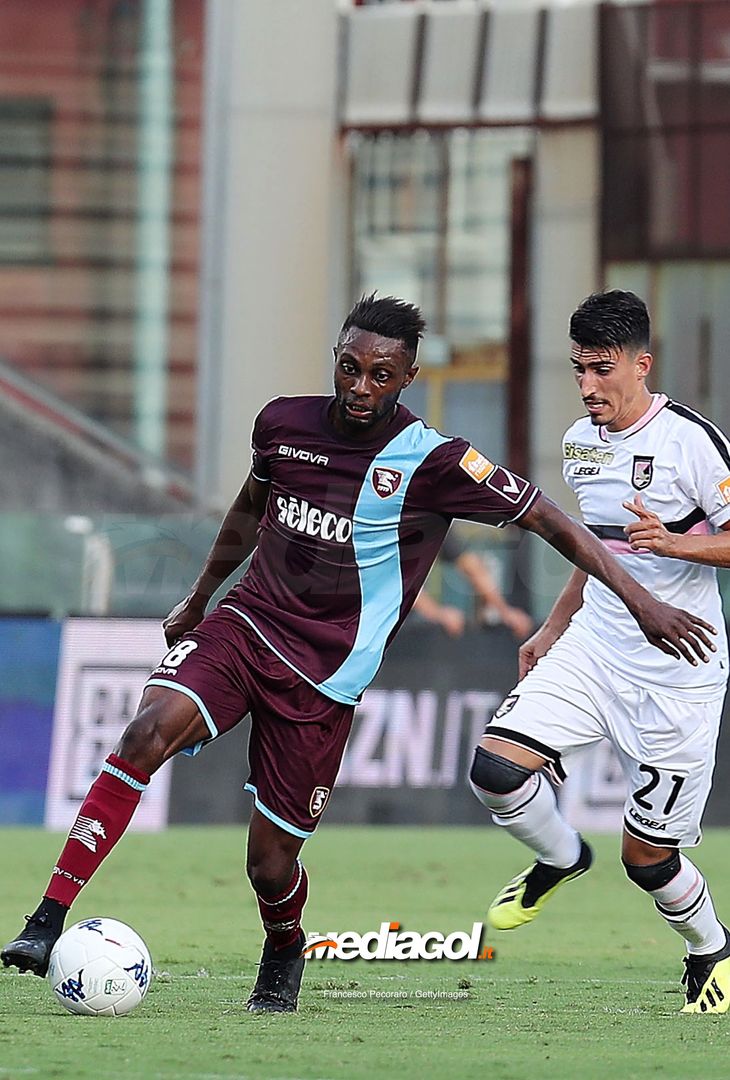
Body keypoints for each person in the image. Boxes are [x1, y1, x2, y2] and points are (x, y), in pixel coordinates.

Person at [2, 293, 715, 1014]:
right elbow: (249, 509)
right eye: (350, 368)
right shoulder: (282, 424)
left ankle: (284, 944)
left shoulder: (435, 460)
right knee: (144, 731)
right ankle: (46, 919)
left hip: (325, 679)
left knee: (269, 864)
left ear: (406, 378)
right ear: (336, 363)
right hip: (247, 626)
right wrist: (199, 598)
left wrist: (644, 601)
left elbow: (553, 523)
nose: (360, 387)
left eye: (380, 375)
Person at [471, 289, 730, 1014]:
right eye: (579, 371)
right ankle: (559, 855)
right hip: (595, 646)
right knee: (494, 768)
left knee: (647, 860)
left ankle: (710, 945)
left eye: (602, 371)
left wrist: (678, 543)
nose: (588, 388)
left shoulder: (692, 443)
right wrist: (553, 629)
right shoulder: (580, 444)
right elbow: (596, 553)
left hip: (678, 674)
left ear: (641, 365)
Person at [413, 526, 534, 640]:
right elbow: (401, 583)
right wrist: (437, 613)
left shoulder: (434, 520)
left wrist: (505, 612)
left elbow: (471, 566)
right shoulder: (402, 519)